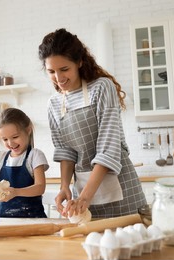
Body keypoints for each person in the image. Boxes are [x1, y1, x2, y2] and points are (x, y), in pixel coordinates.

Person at [38, 28, 147, 219]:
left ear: (79, 62)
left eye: (64, 69)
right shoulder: (54, 103)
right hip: (82, 191)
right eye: (51, 71)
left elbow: (108, 148)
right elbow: (65, 151)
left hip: (119, 187)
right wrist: (64, 186)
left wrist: (86, 197)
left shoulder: (102, 88)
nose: (59, 78)